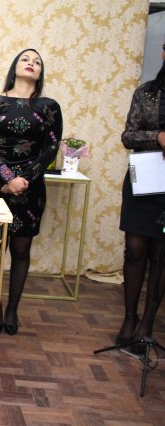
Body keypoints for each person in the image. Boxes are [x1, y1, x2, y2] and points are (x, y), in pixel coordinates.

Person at [0, 49, 63, 336]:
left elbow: (51, 148)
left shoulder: (49, 107)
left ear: (40, 73)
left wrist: (23, 179)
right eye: (26, 59)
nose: (31, 63)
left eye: (37, 62)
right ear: (15, 66)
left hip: (31, 187)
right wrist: (7, 178)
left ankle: (12, 309)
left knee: (21, 249)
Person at [115, 45, 165, 351]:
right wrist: (157, 137)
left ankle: (147, 322)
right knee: (135, 250)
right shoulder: (145, 93)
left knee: (161, 254)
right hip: (143, 178)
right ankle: (129, 317)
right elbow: (128, 136)